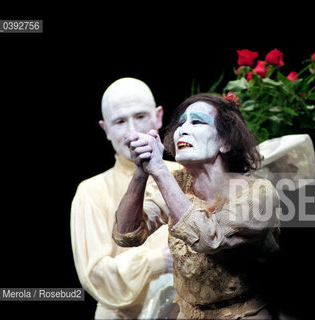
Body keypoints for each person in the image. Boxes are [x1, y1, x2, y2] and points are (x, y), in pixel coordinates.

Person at [113, 93, 281, 319]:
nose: (183, 129)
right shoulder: (177, 185)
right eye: (181, 123)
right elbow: (126, 235)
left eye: (197, 121)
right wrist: (141, 172)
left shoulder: (258, 192)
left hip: (246, 313)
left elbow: (210, 236)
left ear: (226, 142)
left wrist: (160, 170)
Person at [70, 77, 182, 319]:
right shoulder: (91, 191)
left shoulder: (185, 175)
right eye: (120, 121)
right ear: (106, 129)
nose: (132, 130)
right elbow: (95, 274)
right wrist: (156, 261)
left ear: (158, 116)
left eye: (141, 116)